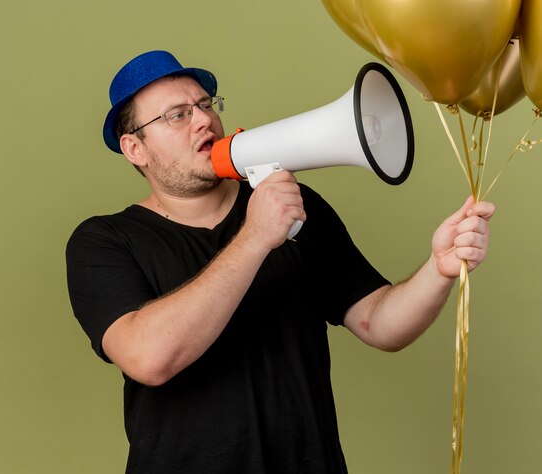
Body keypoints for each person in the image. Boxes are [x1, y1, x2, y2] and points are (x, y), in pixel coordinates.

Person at [65, 50, 495, 474]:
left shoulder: (295, 207)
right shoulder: (104, 242)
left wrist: (439, 268)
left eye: (204, 104)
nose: (203, 120)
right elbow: (150, 358)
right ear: (135, 148)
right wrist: (255, 236)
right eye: (176, 115)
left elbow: (380, 323)